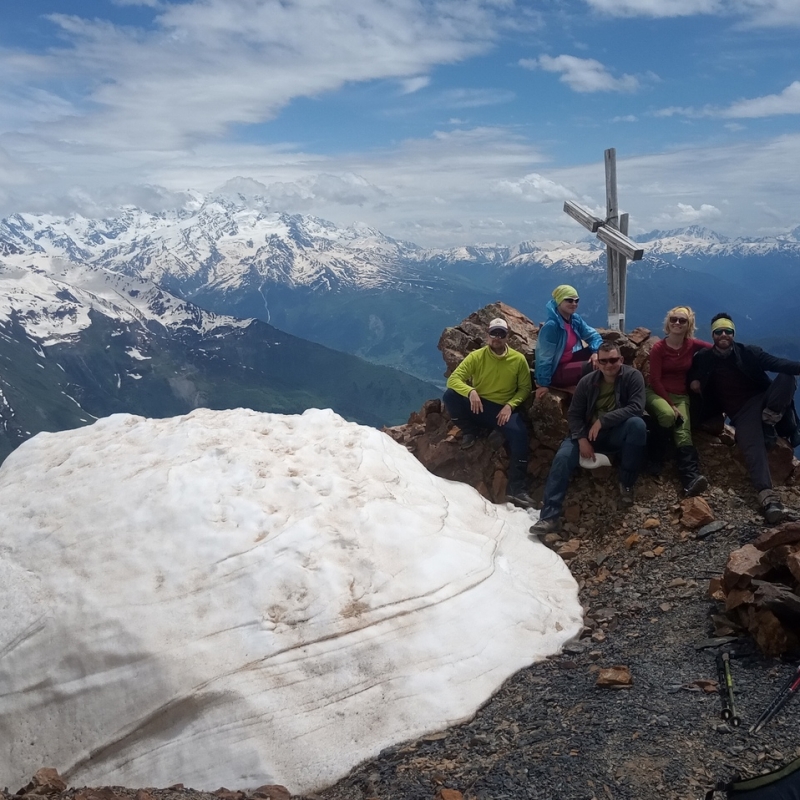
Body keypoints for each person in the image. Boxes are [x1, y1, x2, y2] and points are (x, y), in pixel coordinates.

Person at [688, 313, 800, 524]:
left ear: (733, 334)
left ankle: (769, 419)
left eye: (728, 331)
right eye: (719, 331)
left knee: (786, 378)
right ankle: (768, 498)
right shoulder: (703, 358)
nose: (723, 335)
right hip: (741, 411)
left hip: (764, 399)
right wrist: (695, 381)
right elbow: (690, 373)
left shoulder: (748, 352)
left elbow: (779, 364)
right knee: (752, 447)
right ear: (712, 334)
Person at [529, 342, 647, 534]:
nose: (609, 365)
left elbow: (636, 407)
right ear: (597, 362)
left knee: (637, 426)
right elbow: (574, 415)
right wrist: (581, 438)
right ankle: (549, 517)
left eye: (613, 360)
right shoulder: (588, 381)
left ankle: (626, 483)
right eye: (604, 361)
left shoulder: (632, 377)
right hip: (586, 435)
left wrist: (603, 420)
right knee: (562, 459)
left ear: (621, 360)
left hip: (615, 432)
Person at [443, 317, 534, 508]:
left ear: (507, 336)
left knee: (520, 435)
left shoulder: (518, 360)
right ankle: (471, 431)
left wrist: (510, 405)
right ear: (487, 335)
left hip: (502, 409)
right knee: (451, 396)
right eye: (494, 333)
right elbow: (453, 381)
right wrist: (471, 391)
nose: (497, 338)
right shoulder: (477, 356)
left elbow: (525, 388)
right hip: (480, 405)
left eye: (501, 334)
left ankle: (516, 488)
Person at [645, 306, 711, 496]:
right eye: (674, 319)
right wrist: (671, 405)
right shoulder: (659, 348)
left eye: (682, 320)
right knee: (667, 415)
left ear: (688, 325)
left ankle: (690, 479)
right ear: (668, 322)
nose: (677, 323)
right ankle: (655, 459)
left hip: (681, 395)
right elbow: (655, 380)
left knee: (684, 433)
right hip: (657, 393)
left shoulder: (691, 345)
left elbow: (714, 350)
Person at [534, 284, 603, 398]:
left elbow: (593, 335)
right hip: (555, 371)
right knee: (596, 366)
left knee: (605, 357)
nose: (574, 304)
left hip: (568, 361)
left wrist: (596, 352)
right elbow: (544, 358)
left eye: (576, 300)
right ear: (559, 301)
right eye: (569, 300)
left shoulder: (574, 319)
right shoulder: (551, 327)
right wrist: (543, 384)